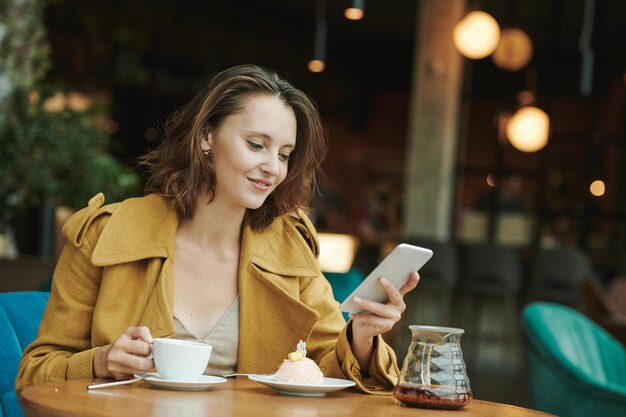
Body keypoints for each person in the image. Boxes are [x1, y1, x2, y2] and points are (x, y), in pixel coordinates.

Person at [16, 65, 419, 394]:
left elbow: (323, 365)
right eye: (256, 145)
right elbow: (34, 374)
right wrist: (101, 362)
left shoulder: (288, 247)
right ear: (207, 136)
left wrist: (362, 337)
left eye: (284, 154)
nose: (273, 168)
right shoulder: (106, 234)